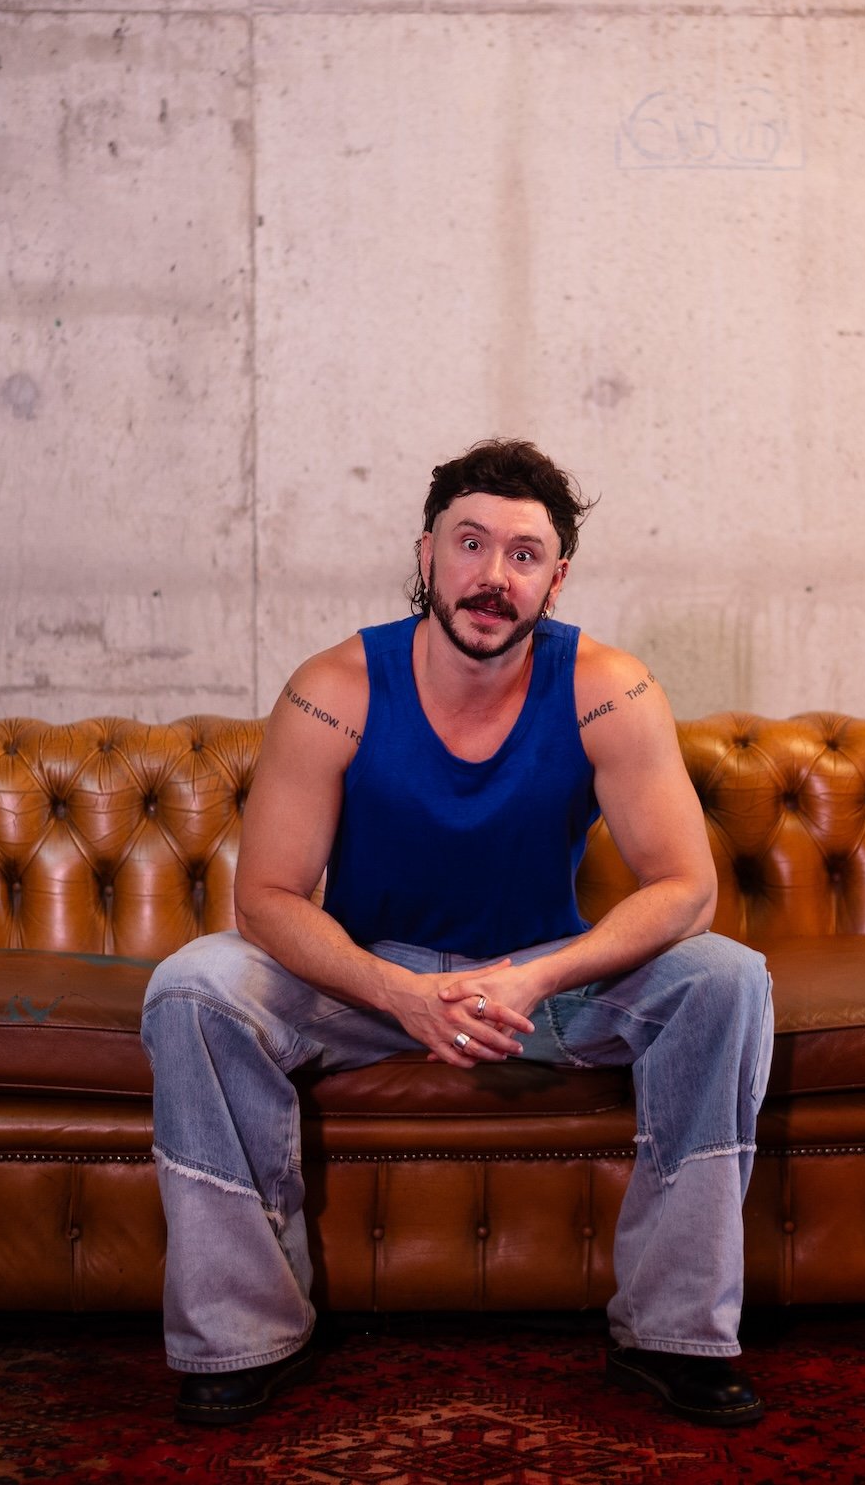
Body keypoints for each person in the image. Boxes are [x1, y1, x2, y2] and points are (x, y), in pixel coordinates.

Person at [141, 439, 774, 1427]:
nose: (491, 576)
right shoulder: (335, 687)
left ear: (554, 577)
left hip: (542, 982)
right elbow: (265, 899)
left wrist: (534, 979)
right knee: (193, 984)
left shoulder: (607, 686)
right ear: (426, 554)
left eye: (522, 554)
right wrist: (396, 993)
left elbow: (685, 890)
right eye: (469, 544)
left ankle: (673, 1335)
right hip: (367, 979)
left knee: (725, 978)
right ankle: (240, 1337)